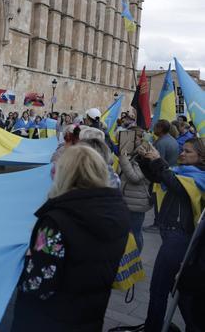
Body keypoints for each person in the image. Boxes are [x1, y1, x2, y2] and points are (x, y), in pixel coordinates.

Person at [11, 145, 130, 331]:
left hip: (49, 320)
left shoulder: (57, 220)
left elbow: (38, 285)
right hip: (90, 315)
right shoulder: (119, 211)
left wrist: (24, 261)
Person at [138, 137, 204, 332]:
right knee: (179, 291)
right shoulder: (182, 172)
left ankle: (153, 328)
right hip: (171, 236)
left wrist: (157, 160)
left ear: (201, 157)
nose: (182, 153)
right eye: (183, 150)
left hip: (180, 237)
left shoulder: (200, 177)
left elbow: (174, 184)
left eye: (188, 151)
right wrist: (144, 159)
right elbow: (159, 177)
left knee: (158, 289)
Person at [119, 131, 152, 252]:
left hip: (137, 202)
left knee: (135, 231)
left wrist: (123, 159)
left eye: (134, 138)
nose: (130, 141)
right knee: (131, 231)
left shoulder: (145, 154)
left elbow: (135, 177)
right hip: (131, 198)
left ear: (141, 138)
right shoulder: (134, 152)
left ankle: (136, 255)